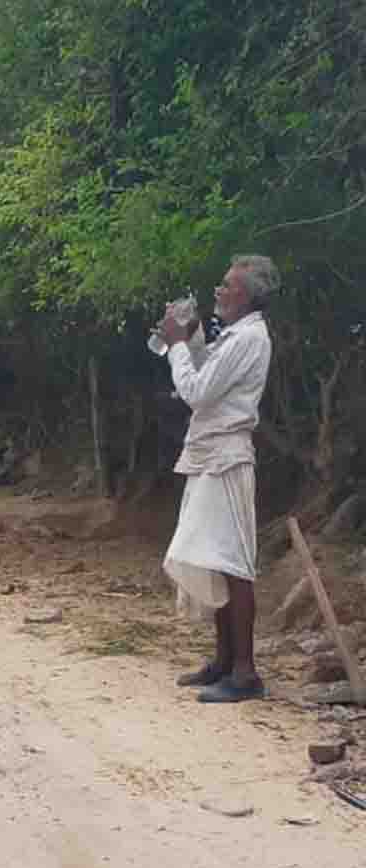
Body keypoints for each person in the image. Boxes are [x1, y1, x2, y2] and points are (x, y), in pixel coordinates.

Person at [157, 254, 278, 703]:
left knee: (234, 564)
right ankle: (225, 661)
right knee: (214, 560)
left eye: (227, 286)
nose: (218, 291)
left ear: (245, 295)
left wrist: (175, 345)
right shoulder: (238, 336)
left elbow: (197, 392)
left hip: (225, 458)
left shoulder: (249, 337)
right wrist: (190, 341)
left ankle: (245, 673)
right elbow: (208, 377)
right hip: (211, 456)